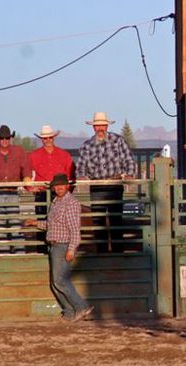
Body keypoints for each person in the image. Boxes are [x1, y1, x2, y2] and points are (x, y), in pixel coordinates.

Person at [24, 174, 94, 322]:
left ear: (67, 186)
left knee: (60, 281)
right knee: (56, 282)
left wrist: (71, 248)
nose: (59, 188)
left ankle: (81, 306)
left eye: (61, 185)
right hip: (54, 244)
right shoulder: (55, 202)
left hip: (63, 245)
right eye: (56, 186)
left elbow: (75, 229)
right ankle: (69, 312)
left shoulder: (71, 203)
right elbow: (53, 226)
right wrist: (35, 223)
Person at [77, 112, 137, 253]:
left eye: (102, 125)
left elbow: (129, 160)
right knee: (99, 223)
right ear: (93, 127)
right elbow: (80, 167)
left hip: (115, 186)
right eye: (97, 125)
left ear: (107, 125)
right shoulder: (87, 146)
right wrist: (82, 176)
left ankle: (117, 253)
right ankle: (102, 253)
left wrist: (129, 174)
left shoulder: (118, 141)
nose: (100, 128)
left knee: (116, 220)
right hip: (97, 187)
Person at [29, 125, 75, 253]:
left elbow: (72, 175)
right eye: (45, 138)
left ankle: (60, 250)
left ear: (54, 138)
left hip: (59, 194)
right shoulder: (34, 155)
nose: (48, 140)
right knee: (42, 221)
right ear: (41, 139)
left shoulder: (64, 155)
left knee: (60, 222)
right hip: (42, 193)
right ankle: (42, 251)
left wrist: (67, 192)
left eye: (50, 137)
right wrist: (30, 187)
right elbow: (26, 172)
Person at [0, 125, 32, 253]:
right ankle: (4, 254)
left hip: (12, 191)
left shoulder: (19, 151)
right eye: (2, 138)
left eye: (7, 137)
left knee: (15, 224)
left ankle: (20, 253)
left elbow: (26, 167)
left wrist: (27, 177)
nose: (4, 140)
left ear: (10, 138)